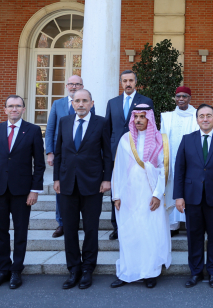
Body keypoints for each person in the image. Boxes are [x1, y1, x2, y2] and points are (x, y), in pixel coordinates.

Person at [0, 95, 44, 290]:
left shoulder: (33, 130)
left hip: (22, 191)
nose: (14, 109)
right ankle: (3, 269)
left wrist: (34, 190)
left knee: (20, 231)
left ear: (23, 109)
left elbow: (39, 164)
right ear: (5, 109)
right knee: (0, 232)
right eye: (10, 106)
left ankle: (16, 270)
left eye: (18, 106)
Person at [54, 89, 113, 290]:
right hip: (67, 184)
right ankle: (74, 269)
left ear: (91, 103)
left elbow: (107, 154)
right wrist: (57, 179)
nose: (80, 104)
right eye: (77, 101)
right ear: (72, 103)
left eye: (84, 101)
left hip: (92, 184)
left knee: (91, 229)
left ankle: (88, 269)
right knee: (69, 229)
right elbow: (59, 152)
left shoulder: (101, 123)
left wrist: (107, 179)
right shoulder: (64, 122)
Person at [110, 104, 174, 289]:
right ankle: (127, 271)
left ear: (149, 119)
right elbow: (118, 168)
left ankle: (150, 272)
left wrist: (157, 195)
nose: (138, 120)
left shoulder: (160, 139)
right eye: (136, 117)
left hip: (151, 194)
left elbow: (164, 170)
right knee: (129, 232)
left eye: (142, 117)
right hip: (129, 194)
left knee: (150, 232)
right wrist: (116, 195)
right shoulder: (125, 139)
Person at [174, 104, 213, 288]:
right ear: (197, 119)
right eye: (201, 116)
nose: (205, 119)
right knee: (194, 236)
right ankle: (195, 272)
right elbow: (179, 170)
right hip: (192, 197)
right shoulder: (187, 140)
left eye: (209, 115)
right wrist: (178, 196)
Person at [104, 70, 154, 240]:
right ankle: (117, 226)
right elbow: (108, 129)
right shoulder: (112, 103)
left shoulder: (146, 101)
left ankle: (137, 223)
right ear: (121, 82)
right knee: (117, 188)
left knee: (137, 187)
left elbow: (151, 126)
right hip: (116, 152)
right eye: (125, 81)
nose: (128, 83)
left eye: (131, 80)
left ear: (136, 82)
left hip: (139, 152)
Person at [45, 74, 95, 238]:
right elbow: (50, 128)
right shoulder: (57, 104)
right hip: (62, 155)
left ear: (82, 86)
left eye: (77, 84)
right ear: (66, 86)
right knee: (61, 189)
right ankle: (62, 223)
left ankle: (79, 221)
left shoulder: (88, 104)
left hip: (82, 155)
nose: (74, 87)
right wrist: (50, 152)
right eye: (71, 84)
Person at [161, 86, 199, 236]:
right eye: (178, 96)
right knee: (171, 189)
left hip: (192, 160)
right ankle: (172, 225)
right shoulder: (167, 117)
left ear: (190, 98)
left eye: (184, 96)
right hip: (171, 160)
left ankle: (191, 224)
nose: (181, 99)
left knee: (190, 189)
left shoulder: (197, 115)